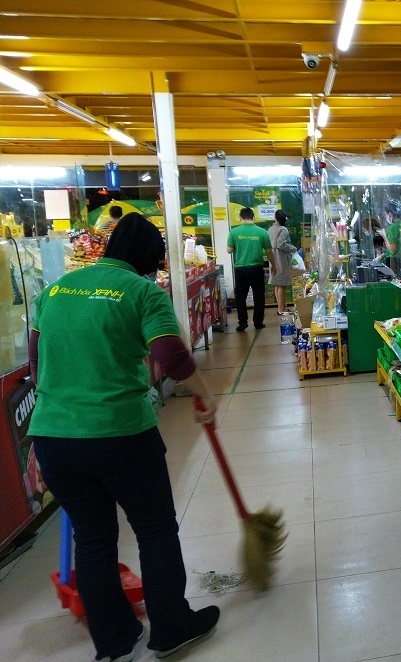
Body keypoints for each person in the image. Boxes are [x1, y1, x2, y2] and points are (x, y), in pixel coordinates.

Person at [28, 213, 221, 661]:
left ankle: (114, 643)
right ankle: (170, 629)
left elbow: (36, 361)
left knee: (93, 540)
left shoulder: (55, 291)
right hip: (120, 434)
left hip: (54, 436)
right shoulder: (142, 292)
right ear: (149, 261)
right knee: (154, 530)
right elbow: (171, 355)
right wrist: (207, 396)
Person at [226, 207, 274, 331]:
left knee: (240, 297)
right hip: (257, 268)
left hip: (241, 269)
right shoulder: (262, 232)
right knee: (259, 296)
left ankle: (242, 322)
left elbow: (229, 250)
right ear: (253, 217)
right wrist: (274, 265)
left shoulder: (234, 232)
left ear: (240, 218)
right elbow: (269, 251)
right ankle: (258, 323)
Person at [267, 210, 297, 313]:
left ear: (275, 218)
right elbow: (281, 244)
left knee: (277, 283)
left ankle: (280, 308)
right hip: (281, 258)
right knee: (282, 284)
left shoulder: (270, 229)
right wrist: (292, 248)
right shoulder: (283, 229)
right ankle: (282, 309)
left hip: (272, 257)